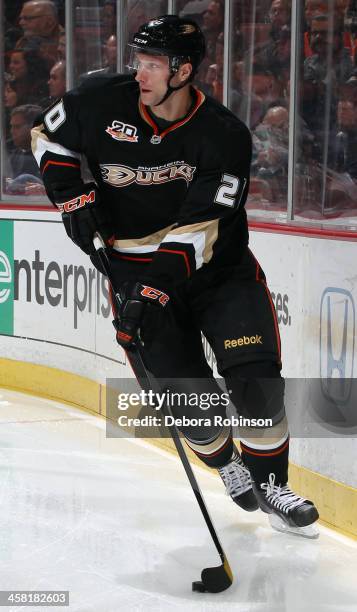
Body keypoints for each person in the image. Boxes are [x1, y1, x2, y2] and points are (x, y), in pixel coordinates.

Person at [31, 14, 319, 536]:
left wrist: (151, 291)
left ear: (183, 71)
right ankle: (225, 463)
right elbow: (48, 141)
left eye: (152, 64)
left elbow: (201, 226)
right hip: (133, 272)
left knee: (255, 383)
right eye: (137, 62)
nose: (139, 73)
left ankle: (272, 482)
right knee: (192, 405)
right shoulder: (99, 100)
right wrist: (74, 203)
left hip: (217, 273)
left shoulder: (223, 134)